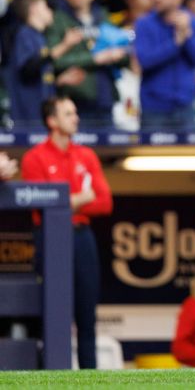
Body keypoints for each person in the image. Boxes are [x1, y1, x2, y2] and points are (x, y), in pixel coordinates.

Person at [22, 96, 113, 369]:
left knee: (87, 316)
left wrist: (65, 201)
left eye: (75, 113)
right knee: (53, 314)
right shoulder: (34, 157)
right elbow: (40, 205)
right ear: (52, 121)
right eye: (68, 113)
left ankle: (89, 381)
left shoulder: (85, 155)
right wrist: (78, 200)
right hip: (49, 238)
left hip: (82, 236)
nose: (76, 118)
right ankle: (52, 376)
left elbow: (105, 202)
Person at [45, 0, 128, 127]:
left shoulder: (103, 16)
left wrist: (118, 56)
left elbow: (123, 50)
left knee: (108, 148)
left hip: (105, 97)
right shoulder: (58, 20)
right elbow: (53, 60)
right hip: (75, 102)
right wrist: (94, 59)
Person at [134, 0, 195, 130]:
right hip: (154, 107)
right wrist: (175, 44)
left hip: (185, 105)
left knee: (188, 154)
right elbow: (144, 61)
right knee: (150, 155)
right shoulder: (144, 24)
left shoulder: (194, 23)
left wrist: (186, 35)